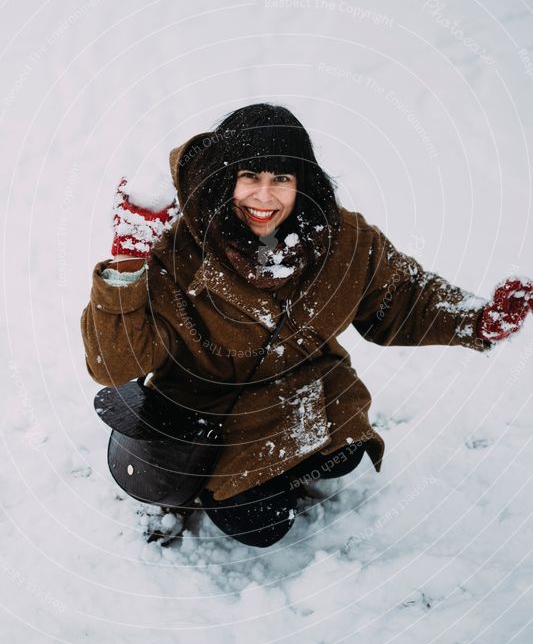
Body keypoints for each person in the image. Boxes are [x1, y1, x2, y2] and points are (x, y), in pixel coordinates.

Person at [81, 103, 533, 547]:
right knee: (262, 524)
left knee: (343, 457)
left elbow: (400, 298)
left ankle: (285, 467)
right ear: (226, 181)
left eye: (281, 178)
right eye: (250, 177)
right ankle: (201, 488)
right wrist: (127, 267)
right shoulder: (177, 247)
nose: (264, 196)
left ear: (303, 183)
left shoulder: (343, 239)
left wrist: (477, 319)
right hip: (206, 410)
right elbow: (115, 363)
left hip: (303, 390)